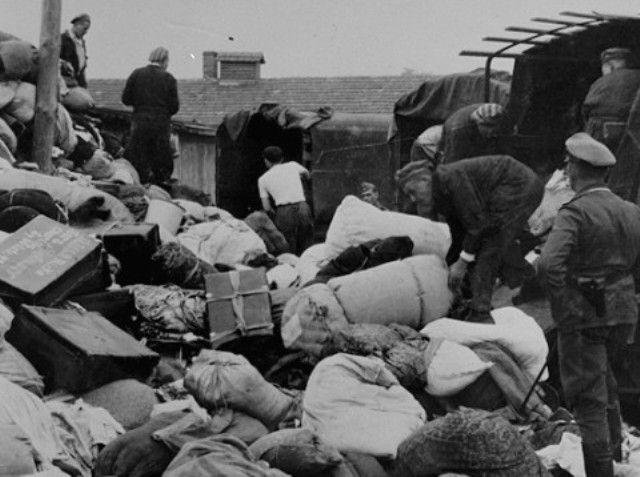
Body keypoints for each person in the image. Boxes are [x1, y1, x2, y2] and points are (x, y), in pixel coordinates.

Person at [539, 132, 640, 477]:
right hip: (623, 313)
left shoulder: (576, 212)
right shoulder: (631, 210)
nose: (566, 168)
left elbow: (549, 264)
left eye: (568, 164)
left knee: (587, 400)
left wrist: (564, 309)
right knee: (604, 379)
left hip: (584, 315)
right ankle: (616, 455)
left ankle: (601, 471)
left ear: (577, 169)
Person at [397, 154, 543, 322]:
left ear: (425, 179)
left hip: (519, 185)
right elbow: (459, 234)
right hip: (503, 191)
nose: (413, 199)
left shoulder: (451, 179)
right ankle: (532, 282)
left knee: (490, 244)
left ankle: (480, 312)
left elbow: (477, 225)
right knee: (490, 241)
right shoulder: (440, 191)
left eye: (412, 192)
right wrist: (448, 265)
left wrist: (462, 263)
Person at [121, 47, 179, 185]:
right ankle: (159, 189)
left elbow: (126, 99)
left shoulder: (136, 74)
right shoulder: (169, 78)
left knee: (138, 159)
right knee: (161, 161)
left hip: (139, 124)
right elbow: (174, 107)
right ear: (164, 61)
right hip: (160, 126)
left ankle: (139, 186)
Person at [582, 47, 640, 154]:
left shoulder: (599, 82)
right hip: (633, 137)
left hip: (600, 134)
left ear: (610, 66)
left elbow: (586, 110)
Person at [258, 146, 314, 255]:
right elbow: (307, 174)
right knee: (306, 244)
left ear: (266, 161)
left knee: (287, 248)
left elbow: (266, 207)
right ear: (282, 158)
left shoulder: (262, 179)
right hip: (303, 207)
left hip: (284, 212)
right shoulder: (293, 165)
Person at [441, 103, 505, 164]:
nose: (493, 134)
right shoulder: (457, 130)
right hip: (455, 132)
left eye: (495, 131)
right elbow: (452, 164)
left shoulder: (499, 113)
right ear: (479, 124)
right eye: (488, 132)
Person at [60, 13, 91, 88]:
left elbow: (81, 67)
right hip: (64, 81)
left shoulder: (82, 43)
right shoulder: (63, 39)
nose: (86, 32)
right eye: (84, 28)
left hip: (77, 81)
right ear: (77, 24)